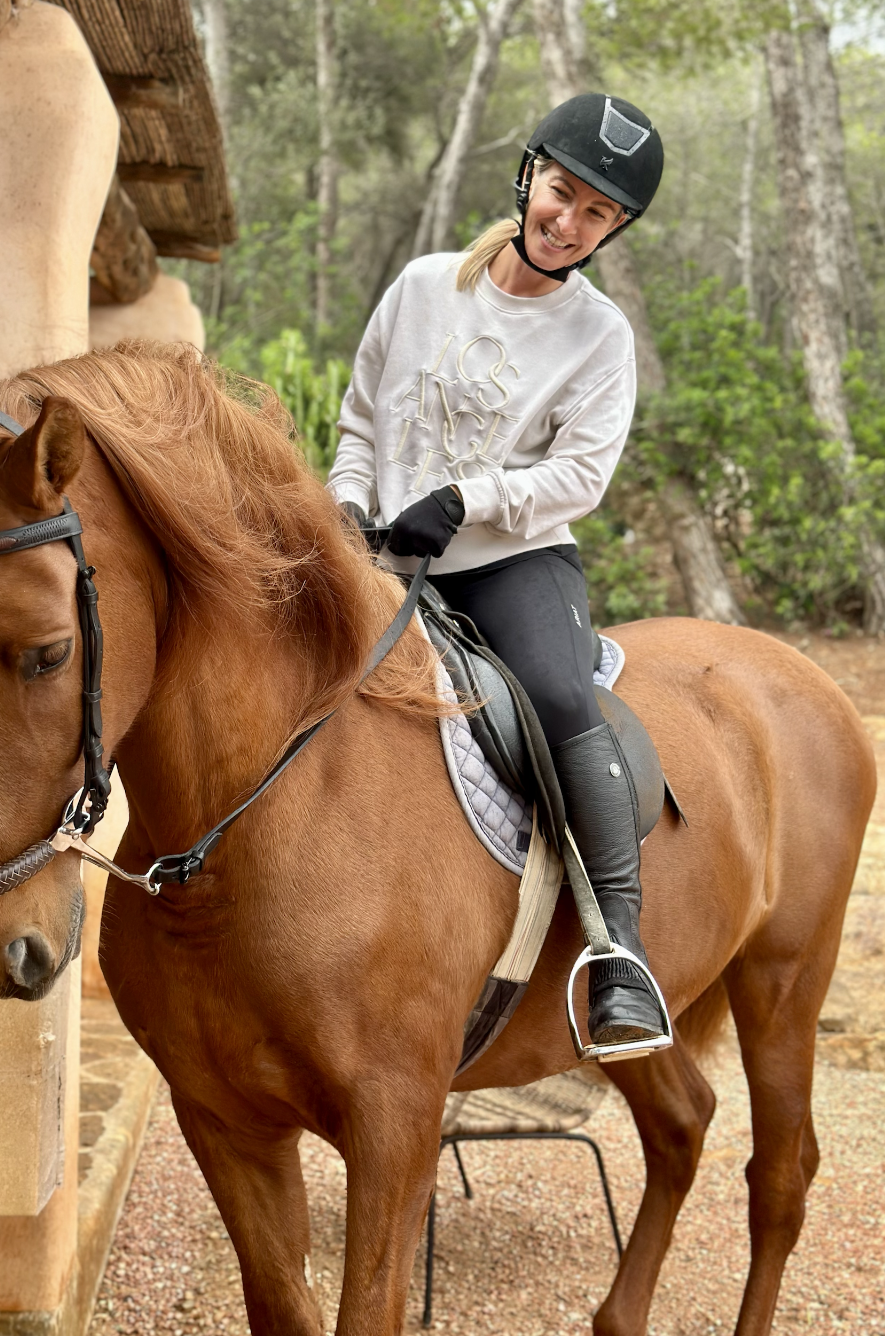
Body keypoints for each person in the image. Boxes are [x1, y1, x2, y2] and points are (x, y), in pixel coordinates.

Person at [327, 93, 667, 1052]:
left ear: (615, 228)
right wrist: (350, 505)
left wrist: (466, 502)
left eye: (597, 212)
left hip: (510, 563)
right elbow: (360, 424)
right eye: (562, 192)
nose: (569, 221)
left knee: (560, 696)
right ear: (529, 177)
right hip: (384, 554)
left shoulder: (599, 337)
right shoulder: (425, 284)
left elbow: (580, 477)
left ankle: (619, 953)